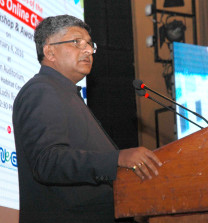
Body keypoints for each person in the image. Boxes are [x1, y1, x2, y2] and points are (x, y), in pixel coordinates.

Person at [12, 14, 162, 223]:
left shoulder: (68, 95)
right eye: (76, 42)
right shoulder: (42, 89)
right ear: (50, 51)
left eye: (90, 45)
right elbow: (48, 162)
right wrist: (117, 159)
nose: (88, 50)